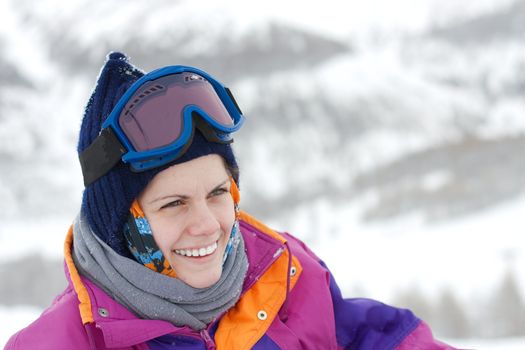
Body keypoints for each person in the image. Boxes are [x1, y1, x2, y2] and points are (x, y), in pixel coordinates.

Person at [4, 52, 455, 350]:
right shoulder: (63, 341)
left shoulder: (284, 276)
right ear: (120, 223)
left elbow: (374, 337)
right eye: (173, 203)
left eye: (218, 193)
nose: (207, 225)